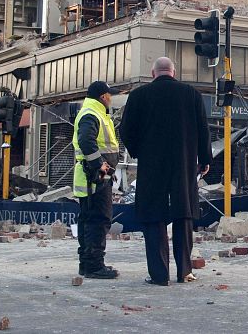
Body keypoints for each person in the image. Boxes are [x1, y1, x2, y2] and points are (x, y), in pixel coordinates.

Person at [120, 57, 212, 286]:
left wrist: (139, 150)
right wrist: (204, 158)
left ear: (153, 73)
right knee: (183, 214)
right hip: (184, 163)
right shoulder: (191, 94)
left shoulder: (139, 96)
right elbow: (203, 128)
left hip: (152, 165)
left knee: (153, 216)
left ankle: (159, 275)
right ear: (174, 72)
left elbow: (126, 130)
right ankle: (185, 272)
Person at [72, 81, 120, 279]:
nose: (111, 98)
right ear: (103, 96)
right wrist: (99, 164)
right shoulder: (92, 114)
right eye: (110, 95)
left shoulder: (93, 112)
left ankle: (87, 263)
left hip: (95, 176)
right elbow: (86, 141)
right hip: (96, 177)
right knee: (99, 220)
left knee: (88, 219)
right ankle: (94, 265)